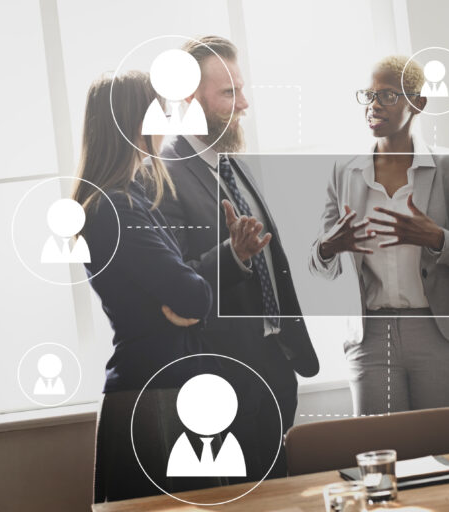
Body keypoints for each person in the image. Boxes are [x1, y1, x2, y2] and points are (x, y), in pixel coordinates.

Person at [77, 71, 266, 501]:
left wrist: (183, 296)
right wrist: (182, 298)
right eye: (162, 113)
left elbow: (186, 289)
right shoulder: (116, 206)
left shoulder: (134, 196)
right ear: (135, 122)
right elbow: (191, 294)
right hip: (153, 394)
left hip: (166, 384)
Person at [158, 36, 319, 482]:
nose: (244, 104)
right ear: (189, 99)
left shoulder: (234, 165)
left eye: (241, 89)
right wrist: (235, 254)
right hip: (224, 374)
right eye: (229, 93)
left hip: (274, 363)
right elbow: (177, 285)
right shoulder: (165, 175)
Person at [310, 56, 449, 415]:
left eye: (388, 96)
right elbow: (319, 262)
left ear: (418, 103)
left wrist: (435, 237)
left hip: (438, 332)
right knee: (382, 455)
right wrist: (331, 246)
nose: (374, 105)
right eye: (369, 95)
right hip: (371, 337)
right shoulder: (343, 169)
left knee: (447, 453)